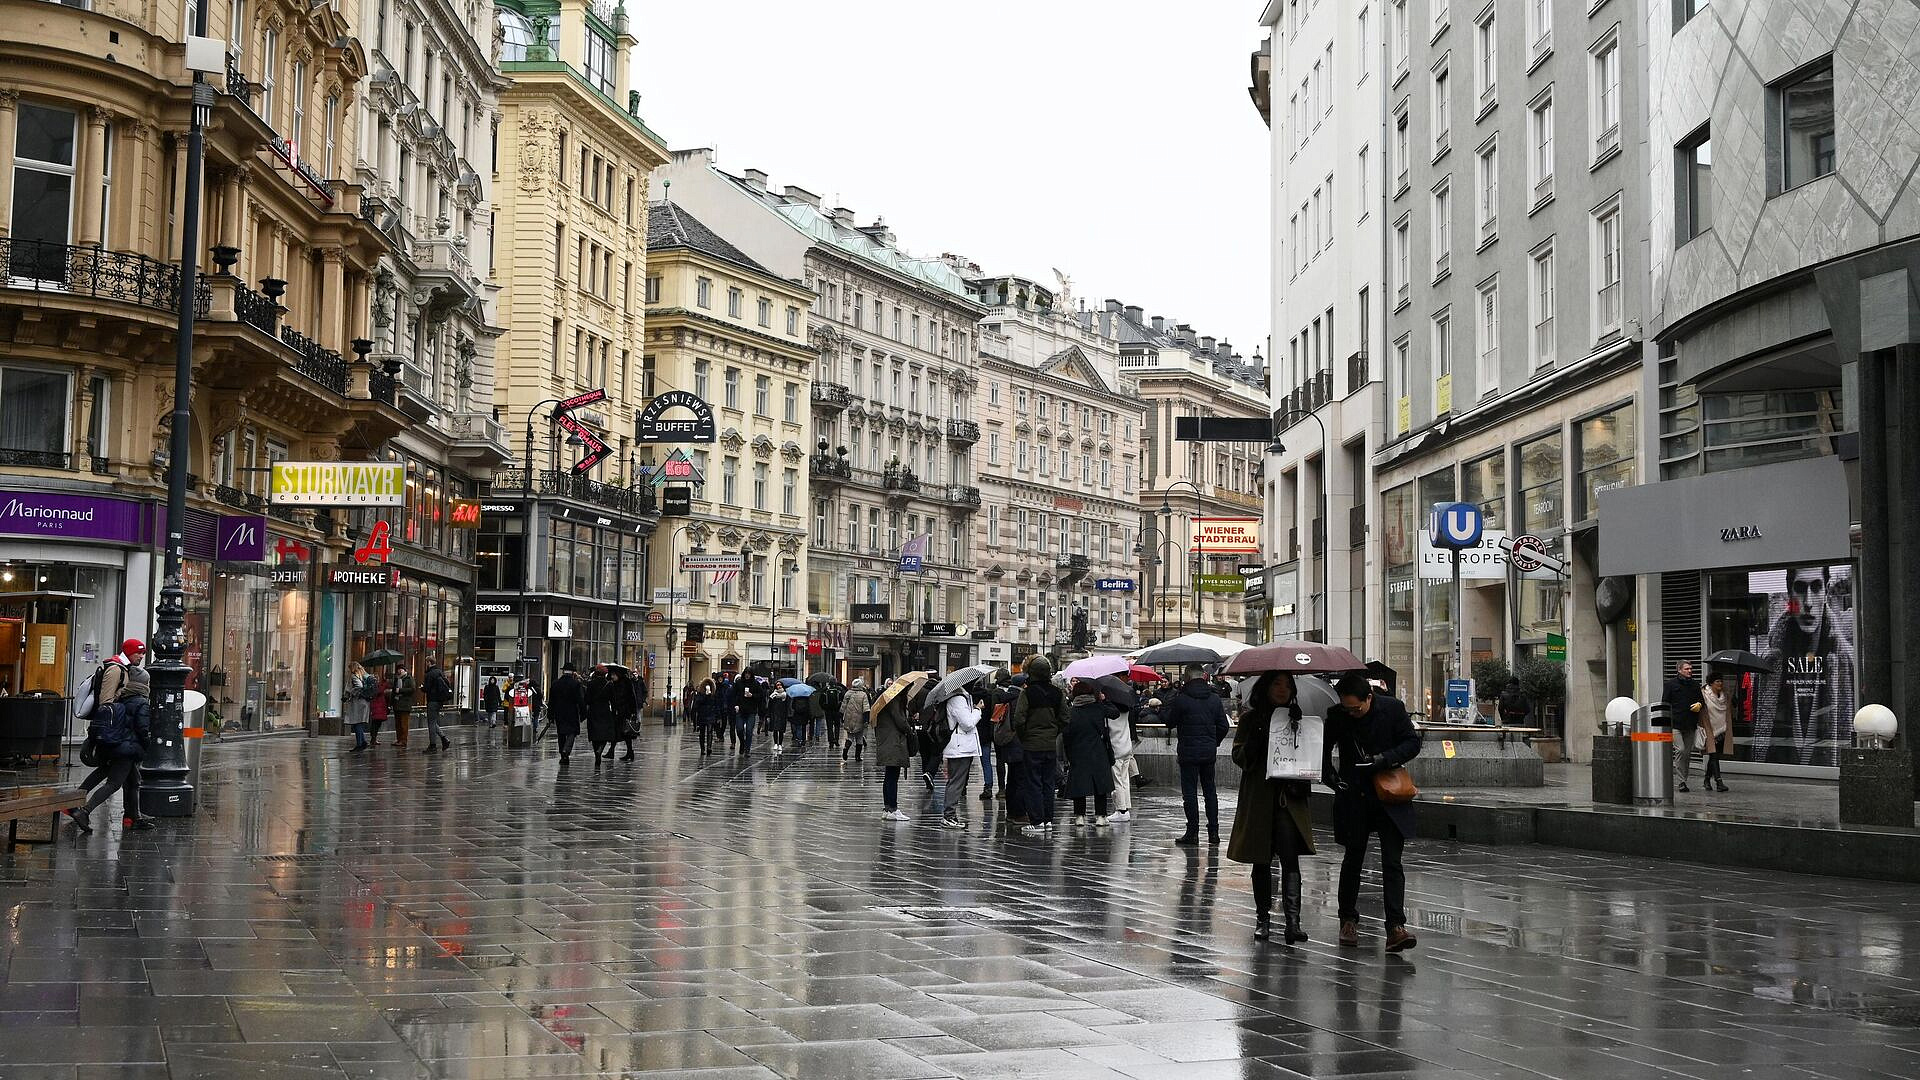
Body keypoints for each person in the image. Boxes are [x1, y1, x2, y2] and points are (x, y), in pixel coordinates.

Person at [1327, 673, 1422, 952]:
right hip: (1353, 794)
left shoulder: (1391, 708)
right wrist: (1331, 778)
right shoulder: (1338, 715)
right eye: (1347, 708)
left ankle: (1395, 926)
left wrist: (1385, 759)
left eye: (1357, 708)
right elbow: (1322, 750)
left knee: (1392, 862)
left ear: (1369, 697)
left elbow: (1412, 742)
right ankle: (1348, 920)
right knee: (1352, 859)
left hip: (1388, 793)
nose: (1352, 713)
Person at [1228, 672, 1317, 944]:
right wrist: (1258, 735)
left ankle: (1293, 921)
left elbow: (1309, 756)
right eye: (1277, 684)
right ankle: (1263, 919)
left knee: (1290, 858)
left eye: (1287, 684)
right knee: (1261, 859)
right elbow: (1240, 757)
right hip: (1260, 798)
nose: (1282, 689)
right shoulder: (1251, 719)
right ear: (1266, 688)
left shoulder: (1298, 718)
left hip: (1289, 799)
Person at [1754, 565, 1858, 767]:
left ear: (1826, 590)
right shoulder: (1770, 660)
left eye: (1817, 587)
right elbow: (1760, 728)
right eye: (1800, 589)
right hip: (1781, 764)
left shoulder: (1845, 660)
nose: (1808, 603)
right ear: (1789, 591)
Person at [68, 665, 154, 834]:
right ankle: (84, 811)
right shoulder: (142, 703)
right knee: (114, 784)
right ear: (144, 684)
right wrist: (147, 744)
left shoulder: (122, 698)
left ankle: (134, 817)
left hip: (117, 747)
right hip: (128, 750)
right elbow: (142, 729)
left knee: (134, 781)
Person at [1164, 663, 1231, 846]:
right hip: (1208, 752)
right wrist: (1213, 741)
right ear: (1203, 676)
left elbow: (1169, 722)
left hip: (1188, 752)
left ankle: (1192, 832)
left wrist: (1172, 697)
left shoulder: (1182, 699)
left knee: (1190, 793)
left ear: (1186, 677)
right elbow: (1224, 726)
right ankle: (1214, 832)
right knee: (1210, 791)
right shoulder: (1214, 699)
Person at [1010, 656, 1064, 837]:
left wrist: (1024, 736)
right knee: (1048, 783)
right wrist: (1053, 733)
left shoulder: (1027, 693)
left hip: (1031, 745)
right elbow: (1065, 718)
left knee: (1033, 783)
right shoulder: (1057, 693)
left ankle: (1037, 820)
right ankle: (1048, 820)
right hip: (1050, 745)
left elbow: (1018, 719)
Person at [1062, 679, 1117, 827]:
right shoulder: (1098, 707)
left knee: (1079, 784)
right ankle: (1101, 816)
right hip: (1098, 750)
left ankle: (1080, 816)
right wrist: (1105, 700)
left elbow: (1066, 734)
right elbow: (1115, 713)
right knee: (1100, 784)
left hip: (1078, 751)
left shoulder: (1071, 711)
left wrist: (1068, 754)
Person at [939, 680, 983, 829]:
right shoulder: (957, 699)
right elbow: (967, 723)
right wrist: (977, 710)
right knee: (956, 782)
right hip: (959, 747)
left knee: (957, 781)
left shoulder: (962, 697)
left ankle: (950, 814)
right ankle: (949, 815)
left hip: (963, 746)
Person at [1663, 660, 1705, 793]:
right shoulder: (1671, 685)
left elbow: (1702, 701)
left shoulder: (1694, 685)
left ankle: (1683, 780)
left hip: (1690, 724)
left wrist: (1699, 704)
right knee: (1680, 750)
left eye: (1691, 669)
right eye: (1687, 669)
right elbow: (1664, 702)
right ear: (1679, 670)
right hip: (1675, 724)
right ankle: (1681, 780)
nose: (1690, 671)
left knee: (1687, 753)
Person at [875, 681, 914, 820]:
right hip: (894, 742)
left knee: (889, 776)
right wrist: (909, 728)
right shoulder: (894, 701)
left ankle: (888, 808)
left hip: (888, 741)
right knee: (892, 776)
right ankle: (892, 809)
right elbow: (900, 721)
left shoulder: (889, 699)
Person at [1107, 687, 1138, 823]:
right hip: (1126, 747)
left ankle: (1121, 809)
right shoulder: (1125, 709)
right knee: (1125, 779)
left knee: (1117, 781)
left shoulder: (1111, 712)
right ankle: (1126, 808)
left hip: (1116, 748)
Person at [1700, 672, 1732, 793]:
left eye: (1721, 681)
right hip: (1709, 728)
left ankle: (1707, 780)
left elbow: (1731, 707)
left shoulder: (1725, 695)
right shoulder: (1704, 694)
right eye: (1717, 681)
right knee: (1714, 755)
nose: (1720, 684)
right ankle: (1719, 782)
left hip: (1722, 728)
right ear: (1711, 683)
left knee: (1715, 755)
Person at [548, 663, 585, 759]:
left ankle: (562, 754)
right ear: (573, 672)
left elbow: (551, 701)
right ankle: (566, 750)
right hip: (572, 712)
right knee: (572, 732)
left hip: (559, 712)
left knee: (561, 733)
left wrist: (550, 715)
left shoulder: (556, 683)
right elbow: (580, 700)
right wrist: (583, 713)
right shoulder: (576, 684)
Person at [585, 663, 618, 761]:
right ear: (605, 674)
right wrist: (615, 711)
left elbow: (586, 699)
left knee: (594, 734)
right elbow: (613, 700)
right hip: (605, 711)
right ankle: (600, 749)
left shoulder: (590, 684)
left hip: (593, 711)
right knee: (605, 734)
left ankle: (596, 752)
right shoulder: (609, 685)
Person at [422, 661, 454, 753]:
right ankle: (444, 739)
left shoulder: (430, 674)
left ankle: (433, 746)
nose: (426, 664)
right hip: (440, 701)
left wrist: (422, 688)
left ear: (428, 662)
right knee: (433, 722)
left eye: (426, 662)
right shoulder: (440, 672)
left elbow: (427, 688)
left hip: (432, 700)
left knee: (431, 723)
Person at [345, 661, 375, 752]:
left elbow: (359, 686)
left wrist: (351, 692)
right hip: (364, 702)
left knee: (357, 723)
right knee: (359, 723)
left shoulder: (355, 676)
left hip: (358, 703)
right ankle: (363, 742)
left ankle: (359, 744)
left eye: (350, 668)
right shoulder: (365, 675)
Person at [840, 679, 872, 762]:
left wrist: (841, 717)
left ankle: (846, 749)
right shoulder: (863, 695)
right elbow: (866, 708)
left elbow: (843, 706)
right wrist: (866, 720)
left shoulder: (848, 693)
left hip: (849, 718)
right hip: (859, 718)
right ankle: (857, 756)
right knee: (859, 738)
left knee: (850, 736)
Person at [612, 668, 640, 761]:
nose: (612, 677)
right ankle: (628, 752)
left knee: (625, 732)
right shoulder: (617, 683)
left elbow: (631, 698)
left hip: (624, 712)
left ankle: (629, 752)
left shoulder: (625, 683)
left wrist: (633, 712)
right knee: (621, 732)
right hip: (621, 711)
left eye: (614, 675)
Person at [692, 679, 723, 756]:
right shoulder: (700, 694)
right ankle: (703, 748)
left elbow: (716, 705)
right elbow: (697, 704)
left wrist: (718, 716)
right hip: (702, 714)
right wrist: (705, 696)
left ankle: (709, 747)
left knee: (709, 731)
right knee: (702, 732)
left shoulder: (714, 694)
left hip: (711, 714)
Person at [733, 673, 762, 754]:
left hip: (751, 710)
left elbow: (760, 696)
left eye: (749, 674)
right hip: (740, 709)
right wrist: (735, 705)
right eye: (746, 674)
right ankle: (742, 742)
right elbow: (733, 695)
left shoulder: (755, 684)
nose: (747, 675)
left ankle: (747, 749)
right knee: (739, 729)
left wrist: (752, 695)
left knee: (749, 731)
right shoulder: (739, 683)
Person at [389, 667, 417, 749]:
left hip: (405, 705)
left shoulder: (409, 679)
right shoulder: (397, 679)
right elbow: (394, 691)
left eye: (401, 670)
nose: (399, 671)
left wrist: (400, 690)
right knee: (397, 724)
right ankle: (398, 739)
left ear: (405, 671)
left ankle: (403, 740)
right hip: (397, 704)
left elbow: (412, 689)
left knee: (404, 724)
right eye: (398, 670)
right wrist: (391, 703)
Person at [368, 671, 391, 745]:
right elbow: (379, 691)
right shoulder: (373, 685)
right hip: (376, 706)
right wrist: (384, 684)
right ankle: (373, 738)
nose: (377, 679)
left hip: (381, 706)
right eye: (375, 678)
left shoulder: (378, 685)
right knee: (375, 723)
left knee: (378, 723)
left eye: (377, 678)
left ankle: (374, 738)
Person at [768, 684, 792, 755]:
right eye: (777, 685)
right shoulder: (773, 695)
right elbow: (770, 705)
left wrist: (788, 714)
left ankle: (780, 744)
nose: (779, 686)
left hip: (782, 715)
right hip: (774, 714)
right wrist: (769, 715)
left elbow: (788, 705)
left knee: (781, 730)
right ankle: (775, 743)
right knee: (775, 729)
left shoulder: (785, 695)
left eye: (780, 685)